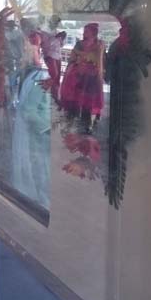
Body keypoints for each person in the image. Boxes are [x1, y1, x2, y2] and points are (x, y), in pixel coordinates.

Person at [12, 33, 52, 208]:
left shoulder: (24, 74)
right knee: (41, 170)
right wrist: (48, 128)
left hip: (29, 133)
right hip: (37, 136)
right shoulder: (40, 78)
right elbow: (30, 111)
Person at [59, 22, 105, 131]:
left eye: (87, 31)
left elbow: (100, 60)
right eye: (84, 31)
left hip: (92, 77)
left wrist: (98, 72)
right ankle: (72, 120)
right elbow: (72, 58)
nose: (84, 33)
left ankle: (87, 123)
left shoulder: (99, 44)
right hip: (78, 75)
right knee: (75, 99)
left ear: (93, 33)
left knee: (88, 100)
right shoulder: (79, 44)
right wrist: (77, 60)